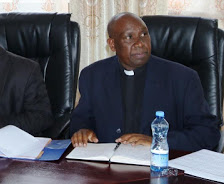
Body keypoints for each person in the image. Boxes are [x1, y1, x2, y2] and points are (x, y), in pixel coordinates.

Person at [70, 12, 220, 151]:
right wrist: (82, 131)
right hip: (106, 169)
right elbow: (80, 120)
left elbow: (208, 133)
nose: (140, 43)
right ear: (112, 44)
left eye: (144, 34)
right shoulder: (93, 75)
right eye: (129, 37)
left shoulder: (183, 78)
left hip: (160, 165)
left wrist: (158, 140)